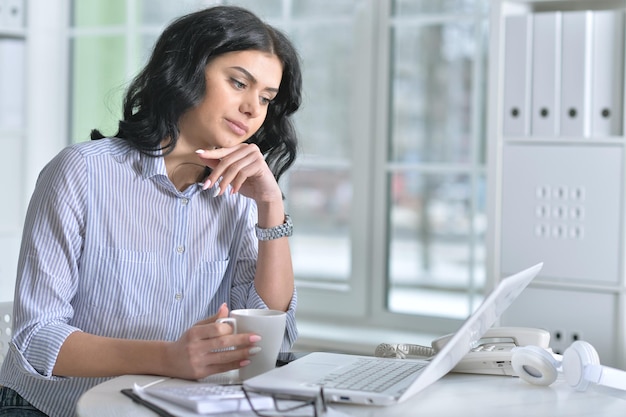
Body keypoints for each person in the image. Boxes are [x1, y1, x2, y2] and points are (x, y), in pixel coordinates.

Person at [0, 5, 301, 417]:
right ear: (186, 71)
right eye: (237, 83)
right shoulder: (82, 171)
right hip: (49, 409)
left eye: (266, 98)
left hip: (166, 407)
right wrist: (169, 357)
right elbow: (37, 338)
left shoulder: (238, 197)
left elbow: (273, 340)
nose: (253, 108)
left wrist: (270, 207)